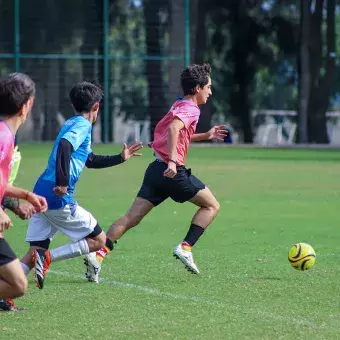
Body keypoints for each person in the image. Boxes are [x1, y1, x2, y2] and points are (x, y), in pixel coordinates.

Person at [85, 63, 227, 283]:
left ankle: (98, 256)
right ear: (198, 88)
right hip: (172, 172)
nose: (210, 91)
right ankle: (185, 247)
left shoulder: (179, 104)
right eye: (208, 87)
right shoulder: (191, 109)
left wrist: (204, 136)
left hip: (155, 169)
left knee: (130, 218)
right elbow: (173, 130)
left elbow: (177, 132)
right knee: (212, 206)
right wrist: (172, 162)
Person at [20, 81, 143, 290]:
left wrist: (120, 158)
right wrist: (62, 182)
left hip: (40, 191)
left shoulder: (71, 122)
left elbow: (90, 160)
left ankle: (5, 293)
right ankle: (48, 258)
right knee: (99, 240)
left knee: (33, 253)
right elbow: (65, 146)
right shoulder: (83, 125)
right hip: (57, 195)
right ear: (96, 107)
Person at [0, 73, 48, 311]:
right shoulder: (2, 135)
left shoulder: (6, 134)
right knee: (17, 284)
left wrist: (26, 195)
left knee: (17, 282)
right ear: (26, 106)